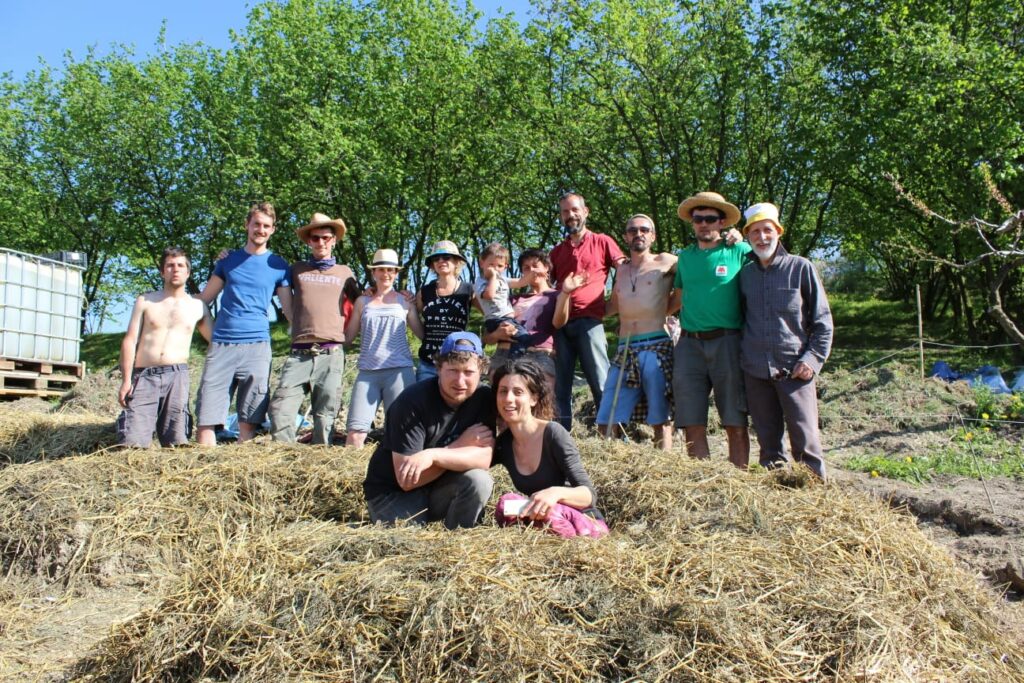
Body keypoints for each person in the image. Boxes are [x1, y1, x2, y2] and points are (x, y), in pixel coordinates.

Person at [362, 332, 496, 529]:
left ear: (481, 371)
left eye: (468, 372)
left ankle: (458, 538)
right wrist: (458, 447)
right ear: (438, 368)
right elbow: (407, 480)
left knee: (479, 480)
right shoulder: (411, 402)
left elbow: (484, 459)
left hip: (439, 486)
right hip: (394, 492)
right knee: (407, 542)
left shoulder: (484, 398)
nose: (460, 381)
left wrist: (434, 455)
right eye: (452, 370)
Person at [739, 202, 833, 479]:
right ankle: (776, 494)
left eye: (767, 230)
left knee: (806, 442)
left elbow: (823, 321)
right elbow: (741, 320)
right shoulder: (745, 275)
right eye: (755, 232)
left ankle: (815, 493)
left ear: (779, 232)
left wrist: (812, 360)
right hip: (756, 371)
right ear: (747, 236)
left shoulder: (801, 268)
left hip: (795, 369)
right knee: (768, 446)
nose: (761, 237)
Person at [195, 202, 292, 446]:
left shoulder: (279, 266)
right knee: (206, 418)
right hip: (222, 345)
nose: (261, 229)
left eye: (266, 226)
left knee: (249, 419)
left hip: (258, 347)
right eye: (256, 224)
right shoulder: (228, 260)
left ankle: (242, 465)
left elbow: (290, 310)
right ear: (246, 225)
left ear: (273, 230)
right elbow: (204, 300)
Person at [670, 191, 750, 467]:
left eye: (710, 219)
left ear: (722, 222)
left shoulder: (739, 251)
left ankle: (738, 478)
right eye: (698, 219)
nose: (703, 224)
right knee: (691, 418)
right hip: (689, 344)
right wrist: (640, 315)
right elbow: (678, 297)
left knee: (734, 418)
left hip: (728, 341)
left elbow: (772, 258)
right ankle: (701, 478)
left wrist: (743, 237)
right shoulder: (685, 257)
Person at [491, 357, 607, 536]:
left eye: (518, 392)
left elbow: (589, 495)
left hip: (583, 521)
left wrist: (554, 494)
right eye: (503, 391)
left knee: (551, 513)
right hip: (541, 518)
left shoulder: (553, 434)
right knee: (506, 503)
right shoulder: (504, 443)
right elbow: (476, 465)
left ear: (534, 398)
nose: (508, 399)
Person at [268, 213, 358, 444]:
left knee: (326, 413)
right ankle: (283, 456)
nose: (321, 242)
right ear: (309, 241)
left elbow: (360, 305)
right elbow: (268, 277)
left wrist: (347, 338)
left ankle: (322, 454)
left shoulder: (345, 272)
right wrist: (227, 256)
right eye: (315, 238)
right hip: (299, 352)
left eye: (325, 238)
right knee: (281, 408)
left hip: (331, 352)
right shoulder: (297, 270)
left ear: (334, 240)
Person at [116, 247, 213, 447]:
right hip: (144, 376)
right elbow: (130, 340)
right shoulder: (146, 301)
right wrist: (126, 380)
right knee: (132, 441)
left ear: (188, 272)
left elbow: (216, 341)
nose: (175, 269)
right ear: (162, 272)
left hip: (177, 377)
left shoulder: (197, 306)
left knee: (176, 442)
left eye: (180, 265)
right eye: (170, 265)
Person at [598, 214, 678, 450]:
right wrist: (570, 302)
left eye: (644, 230)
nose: (638, 234)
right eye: (632, 231)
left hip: (656, 343)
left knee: (660, 416)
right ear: (625, 237)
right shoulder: (621, 270)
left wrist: (732, 242)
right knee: (607, 416)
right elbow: (612, 307)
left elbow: (697, 270)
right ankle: (608, 463)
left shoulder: (667, 261)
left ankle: (664, 465)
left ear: (653, 236)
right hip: (625, 348)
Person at [549, 192, 626, 429]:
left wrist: (614, 302)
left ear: (585, 212)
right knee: (560, 388)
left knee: (601, 381)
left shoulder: (602, 241)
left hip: (590, 321)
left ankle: (612, 436)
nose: (570, 215)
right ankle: (561, 436)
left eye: (575, 210)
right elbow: (546, 286)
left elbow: (624, 268)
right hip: (560, 324)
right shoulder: (556, 252)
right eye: (565, 211)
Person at [344, 248, 424, 448]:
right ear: (373, 273)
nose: (386, 274)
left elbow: (422, 334)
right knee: (355, 434)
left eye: (390, 270)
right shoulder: (362, 302)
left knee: (401, 431)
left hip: (400, 372)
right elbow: (348, 336)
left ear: (396, 273)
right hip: (368, 373)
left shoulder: (405, 301)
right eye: (381, 269)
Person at [482, 248, 559, 389]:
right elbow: (486, 338)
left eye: (535, 266)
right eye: (526, 268)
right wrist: (496, 334)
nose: (531, 270)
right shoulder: (511, 299)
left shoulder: (558, 296)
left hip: (540, 355)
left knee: (541, 398)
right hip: (504, 354)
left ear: (547, 268)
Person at [416, 240, 474, 381]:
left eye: (446, 257)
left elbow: (490, 313)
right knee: (424, 396)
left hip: (456, 363)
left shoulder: (469, 290)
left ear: (456, 262)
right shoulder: (424, 292)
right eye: (436, 258)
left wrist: (480, 342)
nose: (441, 261)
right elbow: (411, 313)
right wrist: (373, 290)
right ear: (432, 265)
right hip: (428, 363)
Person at [475, 241, 531, 353]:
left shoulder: (503, 280)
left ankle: (514, 355)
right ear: (482, 263)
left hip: (507, 319)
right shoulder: (481, 282)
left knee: (520, 338)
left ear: (505, 267)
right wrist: (493, 277)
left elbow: (520, 282)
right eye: (491, 265)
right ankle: (515, 358)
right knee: (523, 337)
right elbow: (489, 295)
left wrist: (533, 274)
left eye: (499, 266)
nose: (495, 269)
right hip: (497, 320)